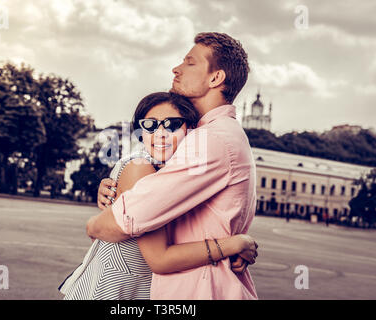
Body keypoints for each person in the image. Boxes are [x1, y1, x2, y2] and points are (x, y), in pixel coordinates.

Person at [87, 32, 258, 300]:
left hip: (200, 290)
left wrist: (111, 211)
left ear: (216, 78)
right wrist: (119, 186)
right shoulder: (215, 136)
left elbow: (109, 226)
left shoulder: (211, 140)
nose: (176, 69)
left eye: (190, 62)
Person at [59, 92, 258, 300]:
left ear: (191, 129)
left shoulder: (180, 176)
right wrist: (235, 244)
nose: (160, 133)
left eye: (171, 124)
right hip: (112, 289)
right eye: (150, 125)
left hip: (145, 288)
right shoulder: (140, 167)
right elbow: (159, 259)